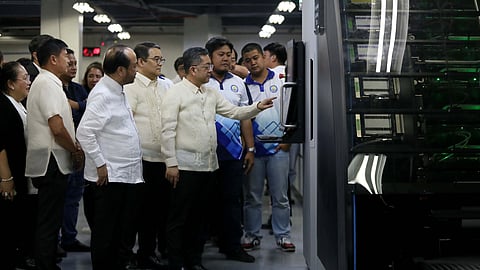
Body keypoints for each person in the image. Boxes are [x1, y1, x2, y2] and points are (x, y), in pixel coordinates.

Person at [160, 46, 275, 270]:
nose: (210, 71)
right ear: (193, 70)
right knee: (179, 218)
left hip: (208, 166)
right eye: (206, 67)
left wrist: (257, 107)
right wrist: (171, 163)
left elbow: (234, 112)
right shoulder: (175, 93)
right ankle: (176, 262)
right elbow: (167, 131)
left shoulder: (210, 93)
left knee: (200, 218)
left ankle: (194, 261)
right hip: (184, 167)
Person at [76, 44, 143, 270]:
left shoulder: (117, 90)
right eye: (134, 66)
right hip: (110, 177)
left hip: (125, 175)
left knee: (120, 233)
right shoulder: (103, 95)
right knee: (106, 235)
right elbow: (84, 133)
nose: (137, 70)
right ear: (121, 70)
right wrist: (101, 164)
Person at [25, 38, 83, 270]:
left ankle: (47, 261)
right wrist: (75, 149)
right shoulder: (47, 83)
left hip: (53, 160)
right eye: (65, 56)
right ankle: (45, 264)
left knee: (51, 218)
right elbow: (57, 127)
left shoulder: (51, 82)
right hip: (51, 161)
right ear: (53, 59)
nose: (69, 60)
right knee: (49, 220)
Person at [204, 37, 255, 263]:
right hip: (205, 154)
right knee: (204, 202)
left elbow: (245, 118)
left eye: (228, 54)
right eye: (220, 54)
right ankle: (199, 247)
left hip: (233, 154)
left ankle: (232, 246)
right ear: (210, 58)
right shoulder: (201, 83)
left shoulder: (239, 83)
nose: (226, 58)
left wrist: (250, 148)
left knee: (232, 202)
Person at [241, 42, 295, 252]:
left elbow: (292, 110)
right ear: (244, 63)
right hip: (254, 150)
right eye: (248, 60)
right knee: (252, 197)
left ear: (263, 57)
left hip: (278, 149)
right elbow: (242, 117)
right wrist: (249, 148)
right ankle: (252, 234)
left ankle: (283, 235)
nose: (253, 63)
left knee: (279, 196)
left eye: (255, 58)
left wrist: (288, 140)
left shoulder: (281, 81)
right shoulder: (243, 85)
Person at [124, 42, 171, 269]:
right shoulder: (129, 87)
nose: (160, 63)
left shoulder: (165, 86)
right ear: (140, 62)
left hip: (162, 160)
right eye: (156, 59)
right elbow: (127, 123)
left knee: (155, 212)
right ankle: (127, 254)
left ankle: (147, 253)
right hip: (139, 161)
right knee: (135, 211)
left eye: (162, 59)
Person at [0, 61, 31, 270]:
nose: (29, 82)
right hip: (8, 174)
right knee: (7, 223)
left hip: (20, 172)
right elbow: (0, 144)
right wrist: (6, 178)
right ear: (11, 83)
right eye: (25, 78)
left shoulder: (18, 103)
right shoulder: (3, 104)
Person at [59, 49, 90, 253]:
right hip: (61, 149)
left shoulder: (79, 89)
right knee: (58, 200)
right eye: (69, 63)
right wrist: (79, 107)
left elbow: (87, 111)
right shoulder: (54, 88)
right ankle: (55, 242)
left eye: (75, 63)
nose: (73, 67)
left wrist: (77, 105)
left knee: (73, 198)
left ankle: (69, 238)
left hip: (80, 149)